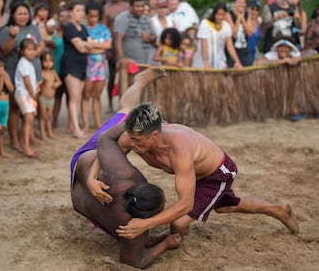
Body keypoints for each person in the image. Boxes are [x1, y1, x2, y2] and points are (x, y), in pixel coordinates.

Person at [90, 92, 299, 241]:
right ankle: (278, 210)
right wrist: (92, 178)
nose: (130, 143)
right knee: (225, 206)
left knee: (179, 223)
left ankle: (174, 243)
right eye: (130, 137)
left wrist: (146, 224)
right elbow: (108, 150)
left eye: (137, 140)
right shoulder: (133, 136)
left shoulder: (179, 148)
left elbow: (185, 204)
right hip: (194, 172)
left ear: (154, 135)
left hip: (217, 173)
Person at [71, 67, 181, 269]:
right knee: (128, 110)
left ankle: (137, 89)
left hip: (83, 163)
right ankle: (140, 81)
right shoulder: (132, 231)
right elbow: (135, 262)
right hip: (82, 193)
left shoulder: (121, 175)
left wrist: (90, 178)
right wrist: (165, 245)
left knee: (127, 112)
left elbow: (106, 139)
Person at [0, 0, 45, 151]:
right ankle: (15, 140)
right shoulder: (7, 30)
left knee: (30, 109)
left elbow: (41, 44)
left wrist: (35, 52)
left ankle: (29, 136)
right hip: (15, 74)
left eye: (25, 13)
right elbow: (4, 50)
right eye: (20, 13)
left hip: (34, 73)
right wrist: (12, 36)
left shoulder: (33, 27)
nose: (23, 16)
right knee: (15, 109)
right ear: (13, 14)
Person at [61, 0, 92, 139]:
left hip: (82, 65)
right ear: (70, 12)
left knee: (78, 97)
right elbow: (81, 47)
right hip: (70, 65)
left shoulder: (84, 28)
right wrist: (87, 45)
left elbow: (92, 46)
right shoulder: (68, 27)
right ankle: (76, 129)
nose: (81, 14)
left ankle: (73, 125)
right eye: (78, 11)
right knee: (74, 97)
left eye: (82, 11)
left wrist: (86, 44)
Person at [82, 0, 112, 132]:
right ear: (86, 15)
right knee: (86, 95)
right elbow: (83, 48)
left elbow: (108, 45)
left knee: (97, 95)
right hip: (86, 66)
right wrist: (99, 47)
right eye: (91, 16)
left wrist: (92, 45)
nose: (93, 19)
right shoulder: (82, 29)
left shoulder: (104, 29)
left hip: (100, 66)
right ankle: (86, 125)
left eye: (96, 16)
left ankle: (98, 123)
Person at [194, 2, 243, 70]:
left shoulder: (226, 26)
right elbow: (204, 44)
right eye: (218, 14)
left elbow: (230, 46)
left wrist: (237, 61)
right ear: (214, 13)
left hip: (219, 62)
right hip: (203, 62)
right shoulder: (205, 24)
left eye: (222, 14)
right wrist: (205, 62)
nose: (220, 17)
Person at [101, 0, 129, 112]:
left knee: (128, 75)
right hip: (112, 46)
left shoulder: (127, 7)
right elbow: (104, 28)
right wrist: (106, 49)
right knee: (112, 76)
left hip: (126, 45)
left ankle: (126, 104)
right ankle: (110, 103)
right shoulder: (106, 9)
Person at [14, 38, 40, 159]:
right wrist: (33, 94)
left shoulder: (28, 63)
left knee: (28, 119)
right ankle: (25, 146)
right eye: (28, 49)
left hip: (27, 95)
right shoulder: (23, 63)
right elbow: (27, 81)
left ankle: (25, 144)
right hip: (24, 94)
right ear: (22, 51)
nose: (31, 52)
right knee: (28, 119)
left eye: (33, 49)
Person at [225, 0, 254, 67]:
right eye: (239, 2)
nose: (241, 4)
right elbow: (232, 34)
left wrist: (243, 19)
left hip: (245, 50)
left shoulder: (247, 15)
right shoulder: (229, 15)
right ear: (234, 3)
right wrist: (238, 19)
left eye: (243, 2)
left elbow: (249, 33)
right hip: (232, 50)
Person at [38, 51, 62, 140]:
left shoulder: (53, 72)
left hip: (51, 99)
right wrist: (42, 82)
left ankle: (50, 132)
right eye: (45, 61)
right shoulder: (42, 73)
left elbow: (59, 81)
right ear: (42, 62)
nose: (48, 63)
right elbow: (38, 85)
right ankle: (42, 134)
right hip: (43, 98)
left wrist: (56, 84)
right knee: (42, 117)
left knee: (48, 117)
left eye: (50, 61)